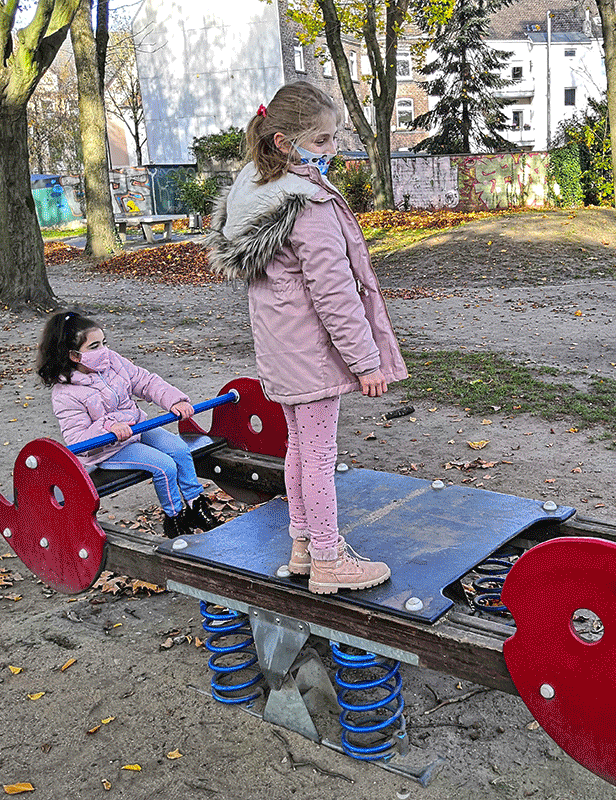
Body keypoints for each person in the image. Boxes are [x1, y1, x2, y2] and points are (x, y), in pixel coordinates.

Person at [206, 82, 407, 595]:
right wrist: (365, 362)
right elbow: (336, 296)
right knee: (317, 456)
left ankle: (302, 544)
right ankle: (328, 558)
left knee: (299, 448)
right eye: (321, 141)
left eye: (333, 137)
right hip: (313, 356)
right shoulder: (307, 205)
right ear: (283, 141)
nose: (332, 150)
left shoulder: (254, 190)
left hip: (280, 351)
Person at [36, 311, 221, 538]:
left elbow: (144, 381)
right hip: (107, 448)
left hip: (136, 427)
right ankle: (175, 518)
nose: (103, 351)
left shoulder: (112, 361)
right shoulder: (66, 394)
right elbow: (77, 441)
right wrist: (108, 428)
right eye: (94, 347)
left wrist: (175, 400)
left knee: (180, 449)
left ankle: (195, 505)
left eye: (104, 343)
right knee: (164, 466)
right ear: (74, 356)